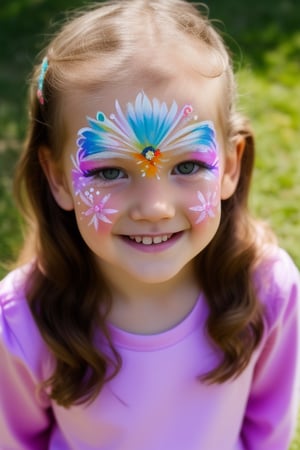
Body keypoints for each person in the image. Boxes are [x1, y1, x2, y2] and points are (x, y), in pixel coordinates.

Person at [0, 0, 299, 448]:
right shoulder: (22, 320)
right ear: (58, 177)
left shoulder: (269, 291)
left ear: (231, 167)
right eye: (108, 172)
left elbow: (268, 430)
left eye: (187, 166)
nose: (155, 207)